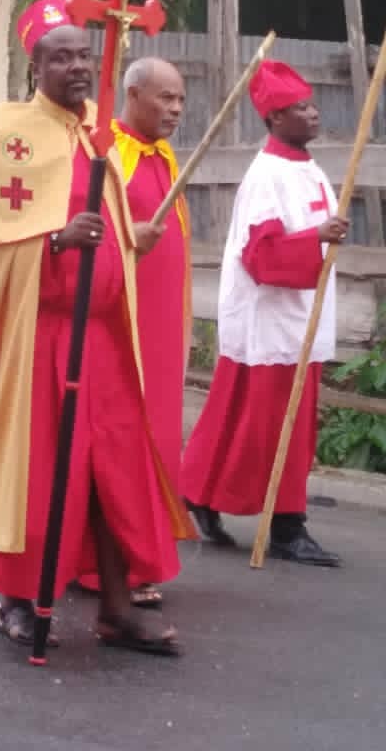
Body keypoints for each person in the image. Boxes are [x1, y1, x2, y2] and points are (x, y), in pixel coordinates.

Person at [0, 0, 194, 657]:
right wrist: (55, 241)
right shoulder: (6, 130)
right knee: (37, 470)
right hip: (39, 335)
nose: (77, 67)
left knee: (112, 466)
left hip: (102, 338)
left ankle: (116, 608)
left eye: (84, 55)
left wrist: (125, 240)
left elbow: (111, 220)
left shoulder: (99, 131)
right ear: (35, 67)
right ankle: (16, 601)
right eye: (60, 57)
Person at [181, 60, 348, 566]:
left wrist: (319, 238)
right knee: (273, 425)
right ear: (275, 117)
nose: (314, 113)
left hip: (299, 316)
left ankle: (199, 491)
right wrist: (316, 238)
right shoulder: (266, 176)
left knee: (246, 420)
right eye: (301, 107)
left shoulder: (307, 168)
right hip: (270, 319)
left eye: (312, 104)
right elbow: (262, 253)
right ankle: (287, 526)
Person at [78, 57, 192, 609]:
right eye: (165, 97)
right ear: (132, 94)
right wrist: (127, 241)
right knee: (119, 442)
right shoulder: (106, 154)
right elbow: (88, 233)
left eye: (181, 100)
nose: (175, 109)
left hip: (161, 330)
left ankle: (142, 556)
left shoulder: (163, 155)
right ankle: (103, 566)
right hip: (119, 324)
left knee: (158, 436)